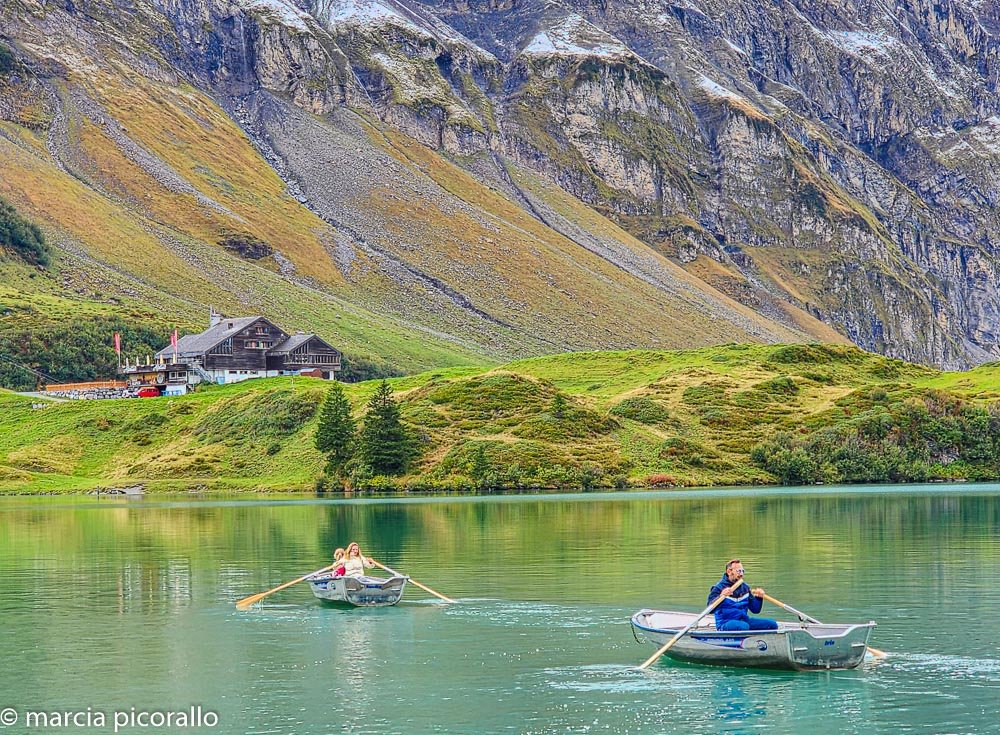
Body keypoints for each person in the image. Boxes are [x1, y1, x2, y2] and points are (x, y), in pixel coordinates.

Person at [708, 559, 778, 631]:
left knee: (772, 624)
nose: (741, 574)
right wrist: (721, 596)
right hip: (725, 623)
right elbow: (710, 610)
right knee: (743, 626)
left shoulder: (745, 588)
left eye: (742, 571)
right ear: (729, 572)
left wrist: (759, 597)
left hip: (744, 620)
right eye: (738, 571)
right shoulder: (718, 588)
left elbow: (755, 610)